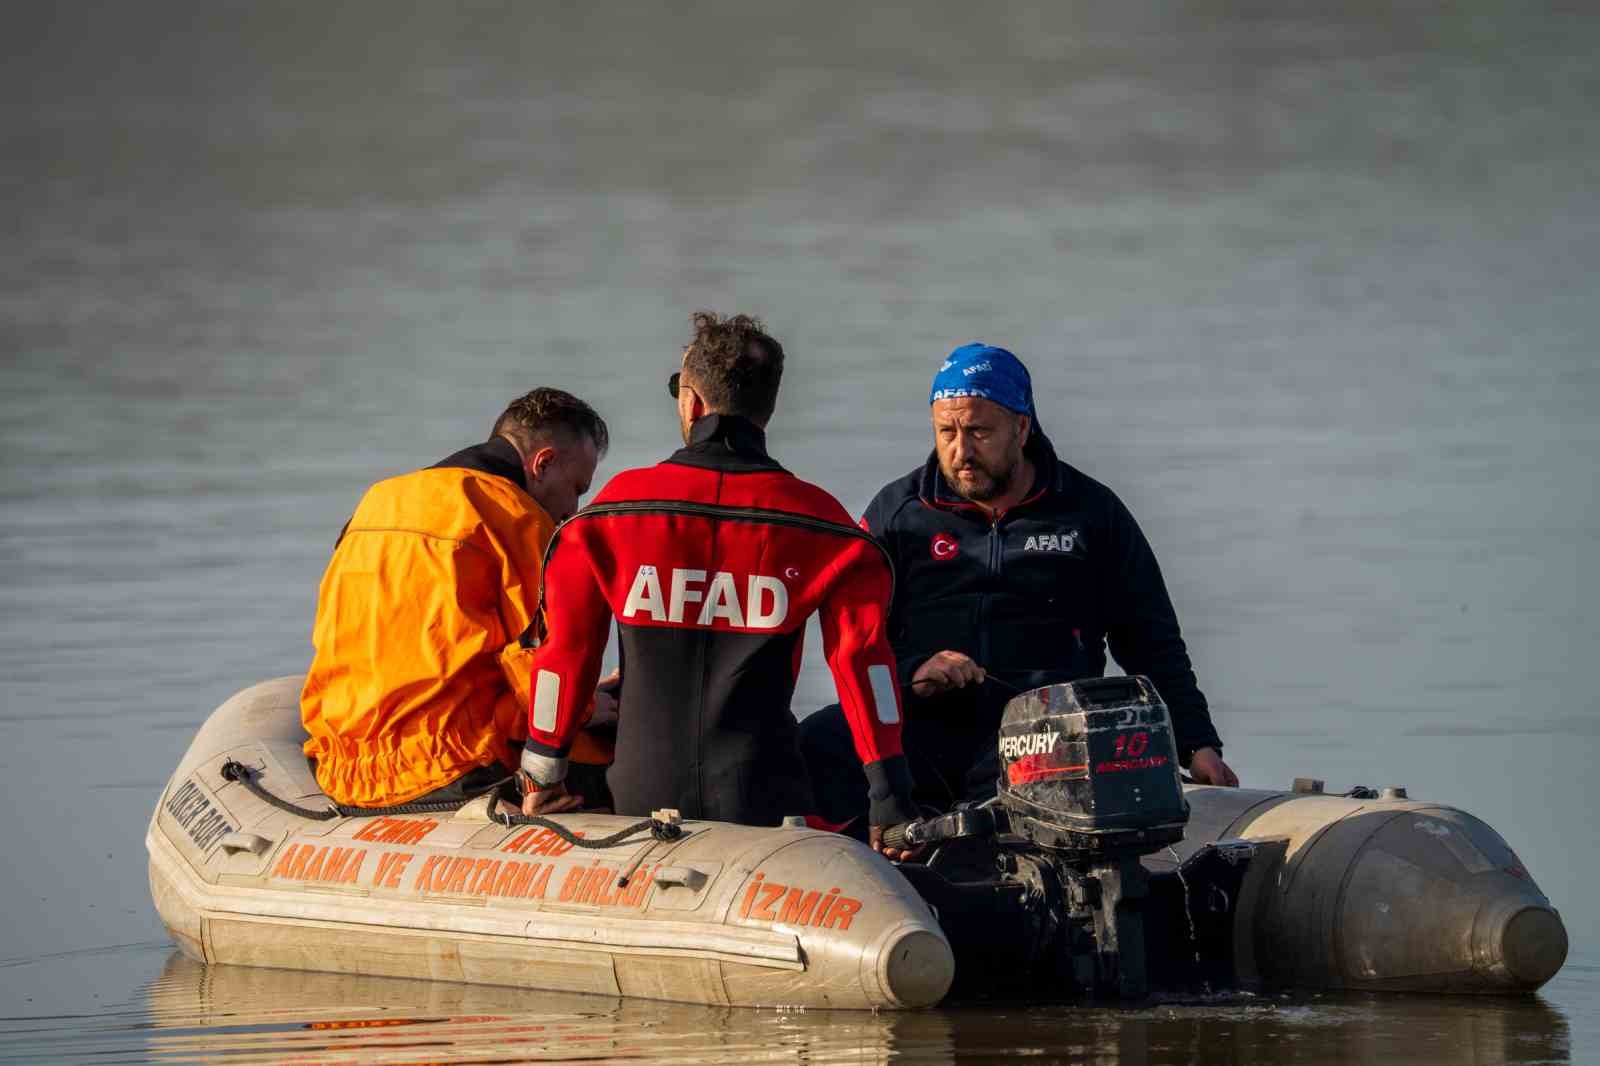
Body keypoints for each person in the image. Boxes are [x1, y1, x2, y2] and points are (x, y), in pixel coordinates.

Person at [517, 312, 919, 853]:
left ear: (692, 403)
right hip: (764, 802)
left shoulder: (605, 519)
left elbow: (565, 659)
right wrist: (890, 800)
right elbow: (865, 666)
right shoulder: (828, 529)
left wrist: (541, 779)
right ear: (767, 408)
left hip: (638, 797)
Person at [801, 344, 1237, 824]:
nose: (961, 452)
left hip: (1046, 734)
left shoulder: (1091, 513)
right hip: (919, 723)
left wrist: (1197, 742)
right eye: (947, 432)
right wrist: (914, 670)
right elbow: (854, 640)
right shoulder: (898, 512)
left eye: (979, 432)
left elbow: (1152, 641)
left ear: (1022, 427)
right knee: (813, 742)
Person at [300, 388, 611, 812]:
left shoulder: (376, 502)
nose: (573, 510)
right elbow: (541, 673)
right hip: (449, 766)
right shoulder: (516, 517)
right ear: (543, 463)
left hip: (343, 768)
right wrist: (593, 709)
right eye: (577, 488)